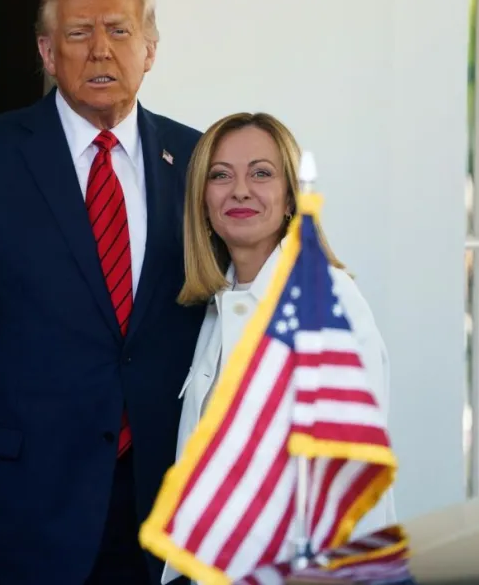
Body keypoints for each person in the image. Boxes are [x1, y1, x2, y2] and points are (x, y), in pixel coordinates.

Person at [0, 0, 205, 585]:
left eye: (119, 31)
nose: (99, 50)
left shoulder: (198, 161)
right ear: (45, 51)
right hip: (10, 507)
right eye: (77, 33)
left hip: (158, 506)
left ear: (150, 51)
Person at [164, 112, 395, 584]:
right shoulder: (217, 308)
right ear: (203, 200)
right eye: (220, 175)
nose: (240, 190)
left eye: (261, 173)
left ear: (291, 196)